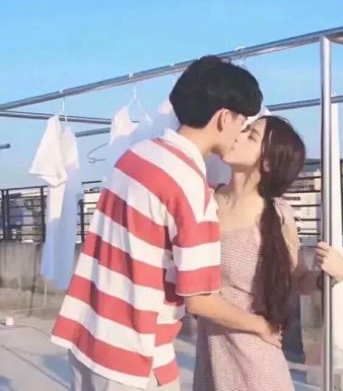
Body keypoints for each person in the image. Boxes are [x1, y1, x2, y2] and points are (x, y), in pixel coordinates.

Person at [50, 56, 282, 391]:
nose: (239, 133)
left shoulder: (136, 156)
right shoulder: (189, 187)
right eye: (242, 122)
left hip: (87, 335)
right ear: (223, 118)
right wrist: (259, 325)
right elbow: (201, 300)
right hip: (132, 357)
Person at [194, 116, 343, 391]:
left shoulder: (277, 216)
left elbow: (294, 279)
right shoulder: (203, 201)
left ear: (267, 163)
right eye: (244, 129)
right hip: (211, 358)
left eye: (251, 136)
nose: (238, 135)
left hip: (257, 362)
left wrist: (332, 275)